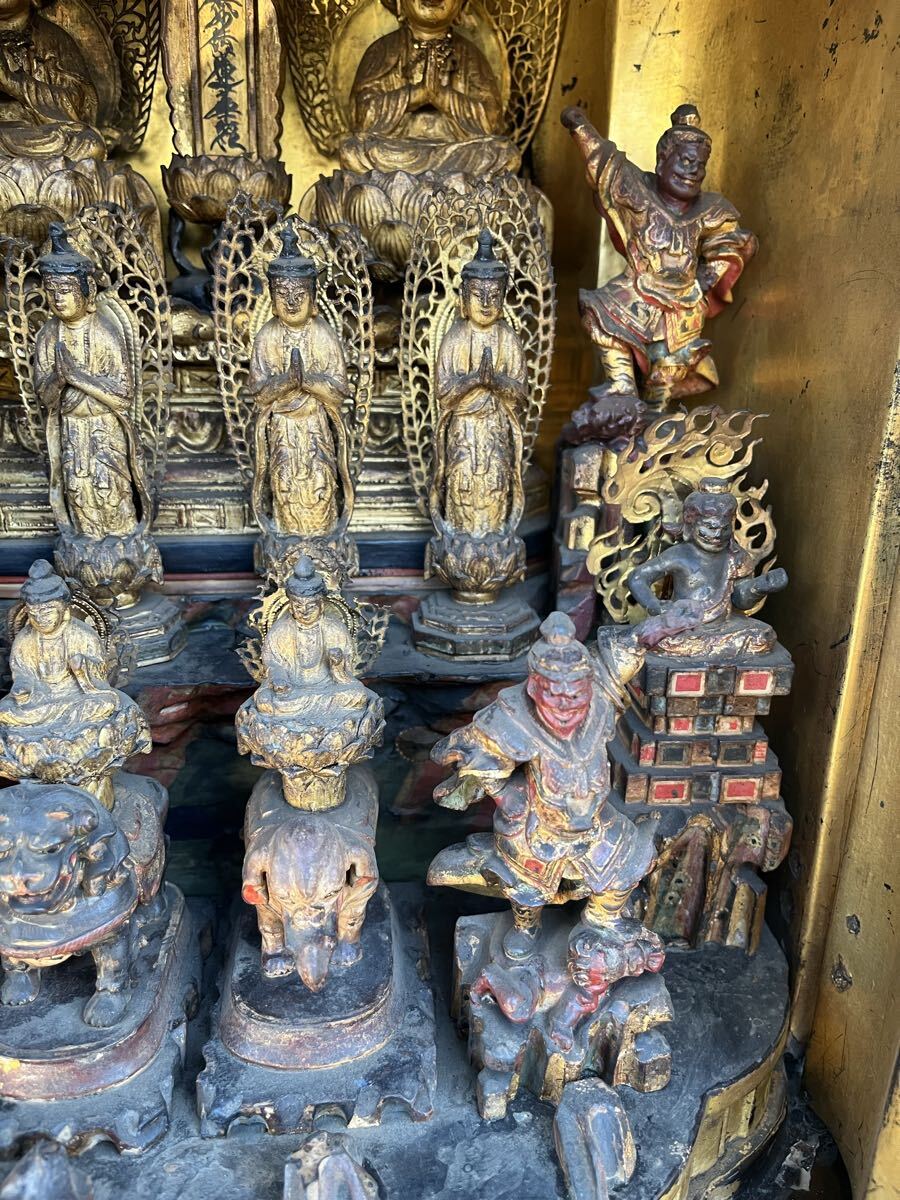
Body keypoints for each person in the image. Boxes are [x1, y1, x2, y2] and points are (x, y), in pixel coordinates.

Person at [562, 103, 757, 412]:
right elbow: (603, 164)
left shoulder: (710, 209)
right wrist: (580, 127)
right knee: (600, 319)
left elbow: (734, 242)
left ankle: (657, 408)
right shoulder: (639, 192)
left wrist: (711, 274)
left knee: (671, 361)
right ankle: (622, 384)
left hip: (683, 302)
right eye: (686, 161)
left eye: (701, 165)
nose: (694, 170)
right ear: (663, 160)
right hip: (637, 290)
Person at [339, 0, 518, 176]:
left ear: (462, 5)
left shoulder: (470, 54)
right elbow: (362, 114)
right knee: (353, 151)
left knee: (505, 154)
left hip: (457, 153)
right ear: (399, 4)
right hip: (396, 153)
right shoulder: (384, 50)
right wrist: (416, 95)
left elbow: (491, 120)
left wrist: (442, 97)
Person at [629, 479, 788, 658]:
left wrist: (760, 586)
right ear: (690, 523)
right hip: (685, 627)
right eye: (710, 527)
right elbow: (637, 578)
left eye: (725, 528)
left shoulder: (737, 557)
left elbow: (740, 601)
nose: (717, 534)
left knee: (763, 635)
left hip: (724, 627)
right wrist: (654, 605)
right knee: (666, 641)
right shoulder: (680, 554)